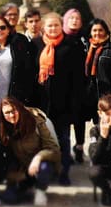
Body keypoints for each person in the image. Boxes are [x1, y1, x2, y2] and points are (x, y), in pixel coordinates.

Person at [31, 12, 84, 186]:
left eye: (56, 25)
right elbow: (31, 75)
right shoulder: (35, 45)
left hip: (64, 103)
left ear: (62, 26)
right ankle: (48, 170)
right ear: (43, 28)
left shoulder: (71, 45)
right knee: (44, 139)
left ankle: (64, 172)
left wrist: (75, 103)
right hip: (42, 103)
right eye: (49, 26)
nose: (53, 28)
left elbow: (78, 79)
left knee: (64, 139)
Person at [0, 96, 61, 207]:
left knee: (44, 168)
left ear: (19, 108)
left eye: (14, 110)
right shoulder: (4, 127)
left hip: (40, 165)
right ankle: (24, 185)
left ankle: (40, 190)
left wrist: (39, 157)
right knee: (9, 199)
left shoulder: (36, 120)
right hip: (21, 168)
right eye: (7, 113)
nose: (11, 115)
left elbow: (54, 150)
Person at [62, 8, 89, 163]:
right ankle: (65, 150)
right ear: (66, 20)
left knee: (80, 119)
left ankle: (79, 147)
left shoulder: (84, 38)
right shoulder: (61, 37)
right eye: (71, 18)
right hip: (65, 86)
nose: (75, 20)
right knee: (65, 120)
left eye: (77, 18)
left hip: (81, 85)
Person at [84, 18, 111, 123]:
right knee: (98, 125)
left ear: (105, 32)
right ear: (90, 32)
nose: (97, 33)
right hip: (93, 95)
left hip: (109, 94)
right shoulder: (87, 48)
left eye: (100, 30)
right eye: (94, 30)